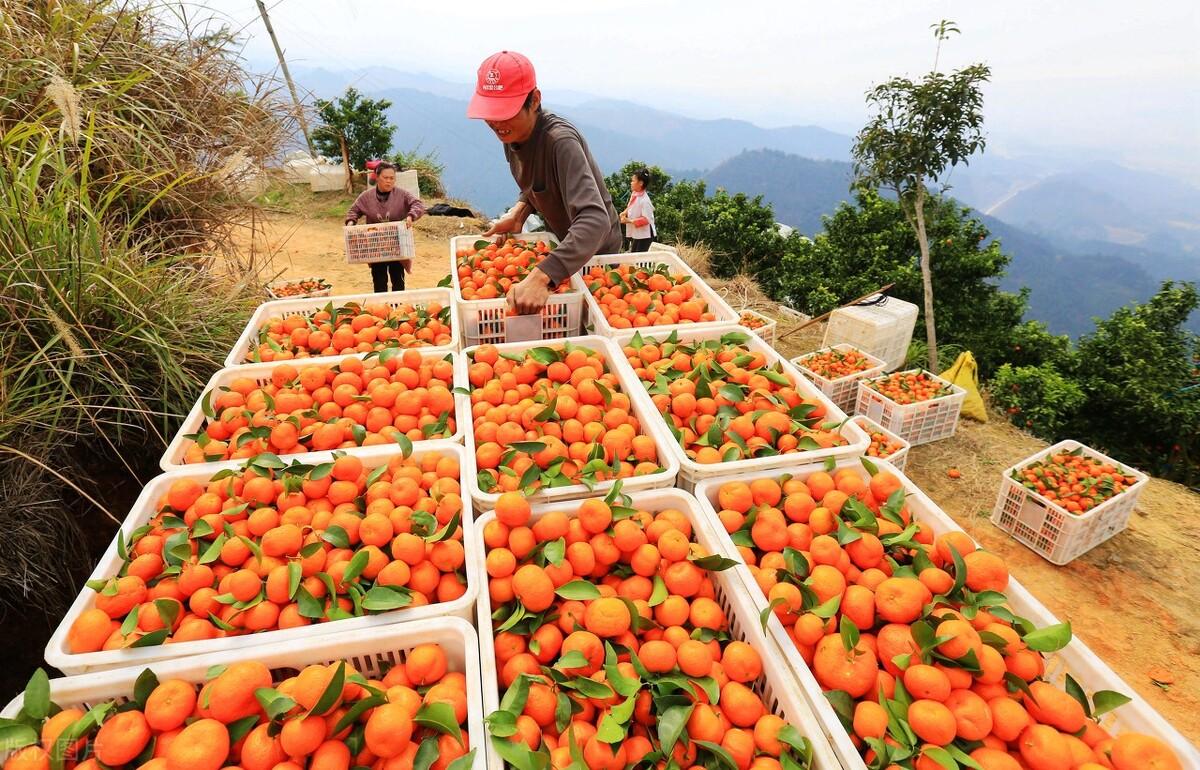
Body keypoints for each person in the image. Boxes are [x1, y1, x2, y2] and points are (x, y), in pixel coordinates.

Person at [467, 50, 622, 314]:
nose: (496, 122)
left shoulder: (560, 143)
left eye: (506, 111)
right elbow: (536, 183)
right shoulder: (513, 134)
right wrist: (519, 212)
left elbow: (596, 220)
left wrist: (543, 276)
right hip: (560, 250)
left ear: (535, 100)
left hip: (595, 257)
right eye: (491, 112)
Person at [344, 161, 425, 293]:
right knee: (379, 281)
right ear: (377, 177)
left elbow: (418, 205)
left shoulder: (402, 194)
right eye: (385, 178)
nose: (389, 181)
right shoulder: (366, 197)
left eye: (392, 178)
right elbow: (354, 211)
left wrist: (411, 216)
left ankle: (398, 309)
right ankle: (381, 309)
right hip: (376, 246)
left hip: (397, 245)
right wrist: (351, 223)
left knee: (398, 280)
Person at [620, 168, 656, 252]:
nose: (631, 183)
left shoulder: (645, 201)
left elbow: (645, 220)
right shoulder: (635, 194)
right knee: (634, 255)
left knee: (638, 258)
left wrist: (628, 221)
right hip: (638, 233)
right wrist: (624, 213)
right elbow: (631, 206)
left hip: (645, 234)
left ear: (640, 183)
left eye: (633, 181)